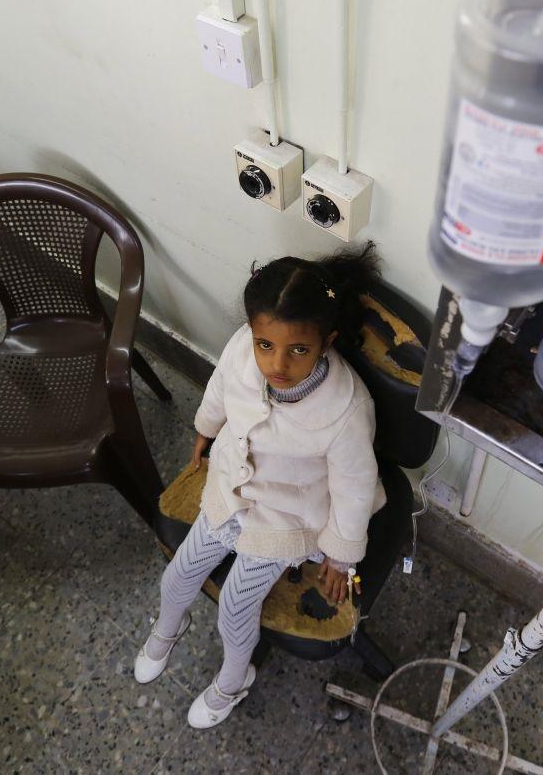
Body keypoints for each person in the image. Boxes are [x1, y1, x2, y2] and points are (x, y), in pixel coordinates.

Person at [133, 243, 384, 728]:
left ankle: (233, 680)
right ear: (252, 334)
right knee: (179, 574)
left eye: (298, 351)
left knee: (234, 604)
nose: (278, 365)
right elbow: (220, 388)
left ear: (326, 342)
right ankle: (169, 626)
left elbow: (355, 485)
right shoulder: (240, 350)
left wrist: (340, 555)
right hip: (232, 487)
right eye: (265, 345)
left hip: (287, 516)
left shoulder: (348, 408)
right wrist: (206, 429)